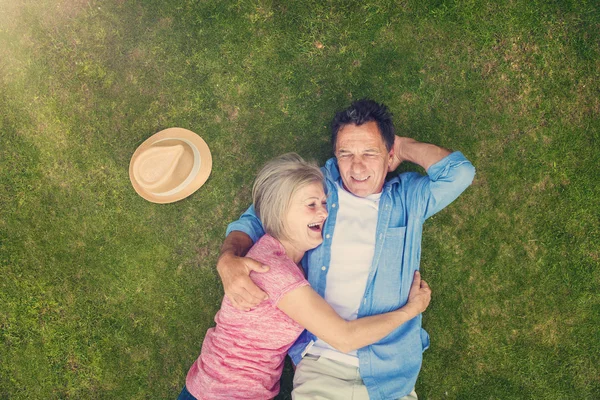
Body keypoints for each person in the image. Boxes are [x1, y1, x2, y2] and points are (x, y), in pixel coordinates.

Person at [217, 99, 476, 399]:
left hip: (390, 371)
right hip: (320, 361)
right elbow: (255, 218)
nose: (357, 167)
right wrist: (227, 258)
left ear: (388, 155)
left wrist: (403, 148)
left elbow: (460, 173)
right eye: (346, 154)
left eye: (369, 152)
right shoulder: (317, 186)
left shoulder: (409, 197)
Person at [179, 153, 432, 400]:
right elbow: (344, 338)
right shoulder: (273, 271)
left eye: (323, 204)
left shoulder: (282, 259)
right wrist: (411, 310)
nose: (323, 213)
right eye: (311, 205)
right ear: (279, 212)